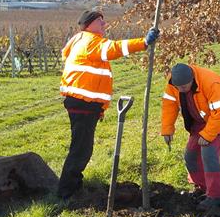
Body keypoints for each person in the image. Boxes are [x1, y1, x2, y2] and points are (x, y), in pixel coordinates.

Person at [57, 10, 159, 200]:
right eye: (100, 22)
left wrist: (100, 108)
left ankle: (71, 186)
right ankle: (67, 191)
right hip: (83, 103)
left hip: (84, 103)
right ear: (88, 24)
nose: (105, 25)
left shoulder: (80, 39)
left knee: (81, 147)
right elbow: (114, 48)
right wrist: (143, 43)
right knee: (81, 149)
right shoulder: (91, 42)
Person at [161, 63, 220, 210]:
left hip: (218, 120)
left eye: (184, 86)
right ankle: (202, 188)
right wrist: (167, 129)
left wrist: (208, 135)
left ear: (192, 78)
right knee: (190, 156)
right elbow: (169, 104)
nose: (181, 90)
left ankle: (215, 196)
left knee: (208, 154)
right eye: (178, 87)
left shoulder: (211, 82)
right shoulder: (173, 82)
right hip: (198, 121)